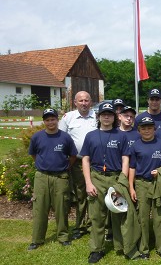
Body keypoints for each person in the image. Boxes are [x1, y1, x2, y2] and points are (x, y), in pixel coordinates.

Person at [80, 102, 130, 263]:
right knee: (97, 216)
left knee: (118, 213)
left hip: (116, 178)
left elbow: (125, 159)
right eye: (103, 114)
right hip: (97, 178)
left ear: (114, 117)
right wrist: (88, 183)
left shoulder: (121, 135)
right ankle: (97, 249)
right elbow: (86, 160)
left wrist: (122, 181)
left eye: (109, 114)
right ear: (99, 116)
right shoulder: (91, 136)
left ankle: (121, 246)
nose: (106, 117)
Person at [28, 108, 78, 250]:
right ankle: (37, 239)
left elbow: (73, 155)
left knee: (62, 207)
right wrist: (43, 164)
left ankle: (63, 236)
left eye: (53, 119)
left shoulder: (65, 137)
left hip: (60, 177)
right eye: (47, 120)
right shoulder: (37, 137)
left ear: (58, 120)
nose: (51, 122)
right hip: (42, 177)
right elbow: (33, 154)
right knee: (40, 208)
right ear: (44, 121)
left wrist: (65, 166)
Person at [129, 117, 161, 259]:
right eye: (143, 128)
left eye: (149, 127)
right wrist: (131, 187)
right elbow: (132, 168)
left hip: (158, 183)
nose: (147, 130)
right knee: (143, 217)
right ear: (139, 130)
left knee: (159, 216)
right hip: (141, 183)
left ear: (154, 129)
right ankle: (144, 249)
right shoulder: (135, 146)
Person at [59, 91, 97, 240]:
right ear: (75, 102)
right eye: (80, 100)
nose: (84, 103)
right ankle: (80, 226)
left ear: (91, 102)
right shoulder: (68, 118)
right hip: (78, 163)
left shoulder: (97, 116)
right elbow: (61, 140)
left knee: (97, 193)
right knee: (81, 195)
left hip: (97, 162)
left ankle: (94, 224)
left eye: (86, 100)